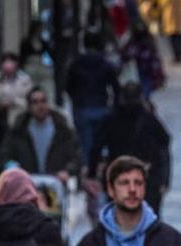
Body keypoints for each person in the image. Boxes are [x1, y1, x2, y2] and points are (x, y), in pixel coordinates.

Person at [92, 83, 173, 215]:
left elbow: (96, 147)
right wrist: (164, 179)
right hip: (147, 175)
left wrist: (93, 173)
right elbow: (164, 146)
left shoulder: (111, 119)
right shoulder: (149, 119)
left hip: (121, 174)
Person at [0, 87, 82, 182]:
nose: (40, 106)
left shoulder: (63, 129)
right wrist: (13, 168)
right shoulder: (18, 131)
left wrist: (67, 171)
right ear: (29, 106)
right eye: (35, 102)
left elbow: (76, 157)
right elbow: (5, 155)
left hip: (56, 182)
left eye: (43, 101)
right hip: (27, 182)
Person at [65, 30, 121, 168]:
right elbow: (115, 87)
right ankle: (99, 169)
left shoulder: (76, 63)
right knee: (101, 142)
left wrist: (76, 100)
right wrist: (113, 106)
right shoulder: (105, 64)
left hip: (83, 107)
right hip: (101, 106)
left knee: (86, 143)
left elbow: (68, 86)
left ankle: (89, 170)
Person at [121, 20, 167, 100]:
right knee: (141, 96)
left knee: (143, 95)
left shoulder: (143, 44)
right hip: (136, 74)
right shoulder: (134, 44)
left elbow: (155, 61)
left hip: (145, 74)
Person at [0, 52, 35, 122]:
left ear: (16, 64)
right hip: (0, 116)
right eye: (5, 61)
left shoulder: (25, 80)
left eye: (11, 61)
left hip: (20, 113)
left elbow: (29, 100)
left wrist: (12, 102)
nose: (8, 64)